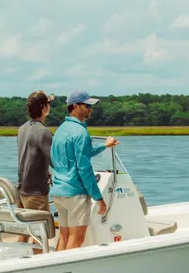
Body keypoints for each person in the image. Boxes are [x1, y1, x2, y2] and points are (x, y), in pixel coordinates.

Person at [50, 90, 118, 251]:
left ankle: (59, 269)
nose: (90, 109)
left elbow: (72, 156)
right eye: (87, 105)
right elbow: (84, 169)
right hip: (75, 194)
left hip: (59, 192)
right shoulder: (81, 133)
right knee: (77, 238)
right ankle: (70, 272)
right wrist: (98, 198)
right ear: (75, 106)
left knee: (65, 236)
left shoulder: (60, 130)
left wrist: (104, 146)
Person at [16, 90, 54, 250]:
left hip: (22, 189)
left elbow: (31, 157)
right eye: (49, 103)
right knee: (40, 234)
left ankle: (15, 259)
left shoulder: (22, 129)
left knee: (25, 232)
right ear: (44, 108)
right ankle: (40, 263)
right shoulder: (44, 132)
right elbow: (55, 161)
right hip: (36, 193)